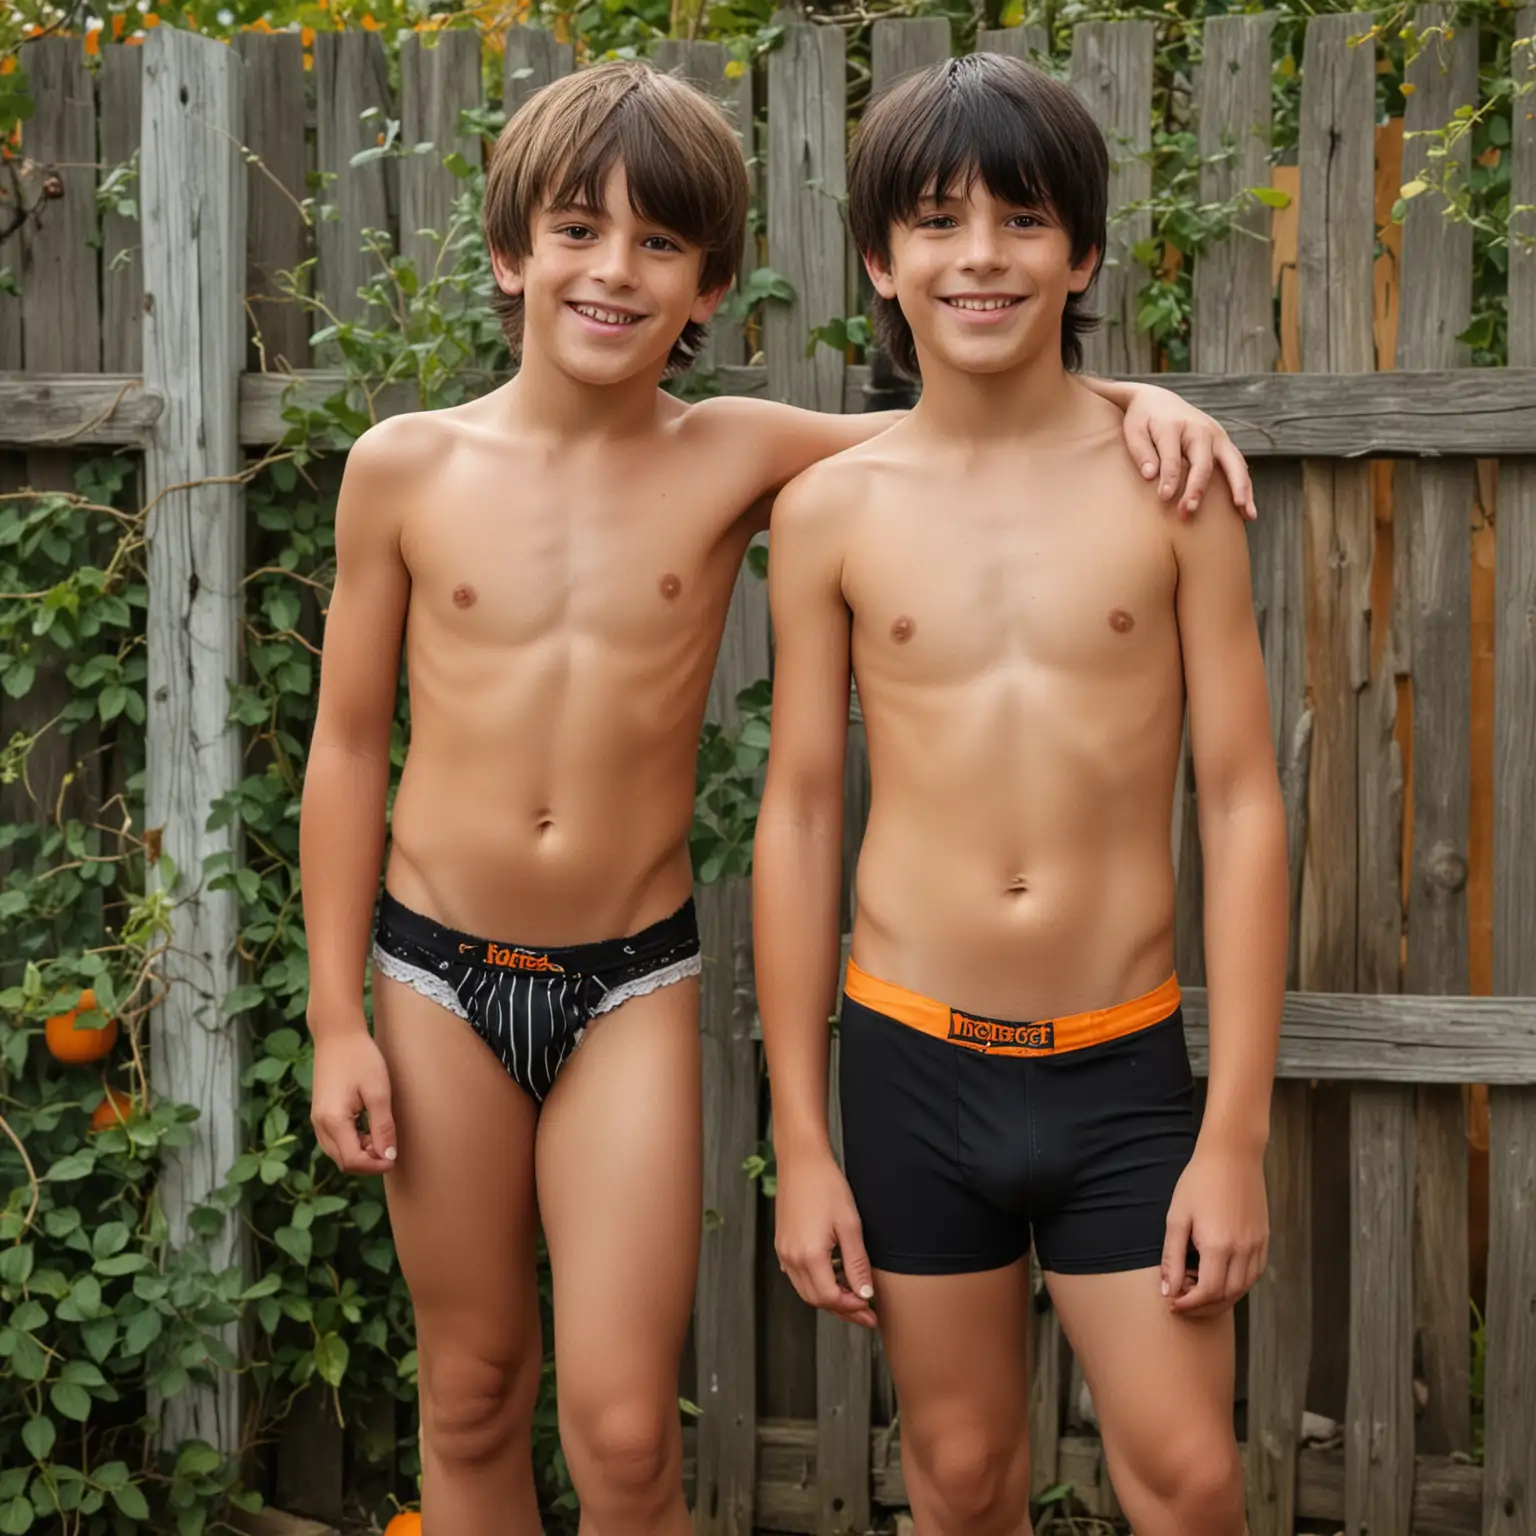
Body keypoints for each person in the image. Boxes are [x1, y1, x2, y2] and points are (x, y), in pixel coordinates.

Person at [299, 57, 1260, 1536]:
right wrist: (333, 1011)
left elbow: (979, 418)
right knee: (474, 1387)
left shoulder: (746, 455)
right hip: (432, 975)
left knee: (625, 1437)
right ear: (509, 252)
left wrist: (1143, 396)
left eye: (661, 244)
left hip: (633, 978)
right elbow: (349, 746)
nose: (614, 271)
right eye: (574, 231)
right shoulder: (405, 468)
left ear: (709, 288)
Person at [754, 53, 1287, 1536]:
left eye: (1023, 219)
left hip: (1122, 1070)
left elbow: (1242, 801)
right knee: (961, 1476)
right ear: (878, 258)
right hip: (914, 1064)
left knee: (1189, 1481)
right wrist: (804, 1139)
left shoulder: (1170, 487)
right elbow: (799, 812)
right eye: (934, 221)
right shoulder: (829, 511)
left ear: (1085, 251)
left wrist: (1231, 1133)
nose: (980, 254)